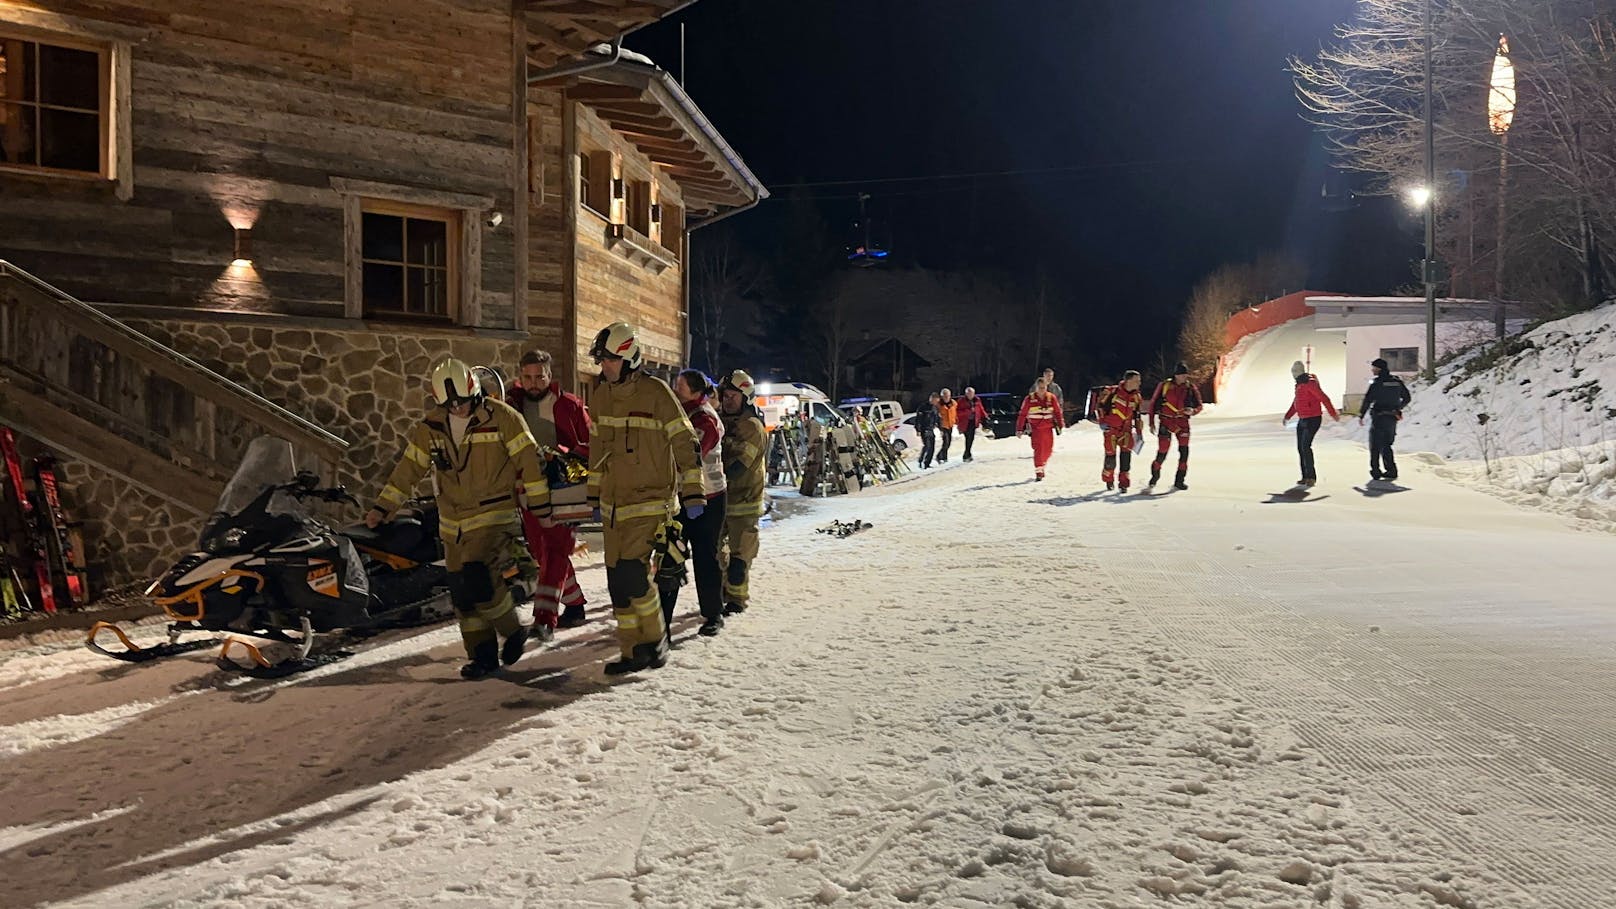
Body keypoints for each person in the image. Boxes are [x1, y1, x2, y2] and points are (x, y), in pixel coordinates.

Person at [367, 358, 547, 679]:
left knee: (479, 576)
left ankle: (512, 630)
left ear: (474, 392)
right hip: (453, 524)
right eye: (450, 405)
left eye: (462, 403)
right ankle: (483, 656)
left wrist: (540, 504)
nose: (458, 410)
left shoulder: (502, 417)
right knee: (462, 593)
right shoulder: (432, 427)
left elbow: (529, 461)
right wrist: (383, 508)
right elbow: (408, 470)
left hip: (494, 514)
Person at [586, 322, 706, 675]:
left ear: (628, 358)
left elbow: (685, 441)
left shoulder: (656, 393)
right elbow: (597, 449)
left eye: (609, 359)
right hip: (613, 505)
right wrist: (594, 493)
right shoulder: (601, 395)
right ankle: (632, 650)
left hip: (651, 501)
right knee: (616, 583)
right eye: (601, 359)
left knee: (633, 576)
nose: (603, 366)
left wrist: (693, 491)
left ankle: (655, 640)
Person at [507, 350, 592, 637]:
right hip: (526, 492)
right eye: (527, 377)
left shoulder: (569, 405)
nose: (533, 383)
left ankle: (545, 618)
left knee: (556, 551)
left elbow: (591, 444)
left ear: (549, 376)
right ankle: (576, 604)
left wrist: (561, 456)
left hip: (564, 490)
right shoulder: (511, 406)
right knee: (541, 553)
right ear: (520, 376)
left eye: (539, 377)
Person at [667, 369, 728, 637]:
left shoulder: (705, 419)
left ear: (695, 392)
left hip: (708, 499)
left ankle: (713, 613)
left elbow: (689, 455)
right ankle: (661, 619)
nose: (675, 390)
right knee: (670, 556)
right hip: (682, 499)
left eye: (680, 387)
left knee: (705, 558)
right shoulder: (681, 414)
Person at [717, 370, 767, 616]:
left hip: (744, 502)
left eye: (733, 396)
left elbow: (739, 466)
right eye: (725, 395)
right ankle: (725, 592)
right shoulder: (721, 422)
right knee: (716, 554)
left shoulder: (752, 427)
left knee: (739, 557)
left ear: (745, 397)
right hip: (722, 500)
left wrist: (713, 479)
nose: (727, 400)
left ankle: (737, 600)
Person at [1147, 363, 1204, 490]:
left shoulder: (1190, 388)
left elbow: (1199, 405)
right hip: (1166, 422)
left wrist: (1193, 411)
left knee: (1184, 453)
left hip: (1182, 423)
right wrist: (1151, 422)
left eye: (1185, 374)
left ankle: (1180, 480)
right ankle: (1154, 475)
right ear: (1175, 375)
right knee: (1163, 451)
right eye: (1181, 374)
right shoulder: (1164, 386)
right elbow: (1153, 403)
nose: (1184, 377)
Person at [1284, 360, 1340, 487]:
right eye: (1292, 372)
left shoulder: (1309, 383)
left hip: (1313, 419)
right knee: (1300, 448)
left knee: (1305, 446)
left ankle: (1311, 477)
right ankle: (1305, 476)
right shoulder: (1299, 384)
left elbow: (1324, 398)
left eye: (1295, 371)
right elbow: (1296, 403)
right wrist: (1288, 416)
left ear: (1301, 372)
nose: (1293, 374)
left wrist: (1333, 413)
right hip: (1302, 418)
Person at [1359, 357, 1412, 482]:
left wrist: (1361, 415)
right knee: (1387, 445)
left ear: (1379, 368)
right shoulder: (1396, 381)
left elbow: (1368, 400)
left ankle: (1376, 471)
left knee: (1375, 445)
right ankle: (1391, 471)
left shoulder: (1377, 383)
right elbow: (1407, 398)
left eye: (1374, 368)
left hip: (1379, 417)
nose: (1372, 370)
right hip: (1392, 418)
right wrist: (1398, 408)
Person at [1093, 370, 1145, 491]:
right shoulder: (1112, 392)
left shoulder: (1137, 397)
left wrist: (1139, 432)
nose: (1139, 383)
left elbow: (1137, 415)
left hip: (1126, 431)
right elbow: (1099, 406)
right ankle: (1108, 480)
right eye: (1137, 380)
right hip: (1111, 430)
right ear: (1128, 381)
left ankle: (1124, 484)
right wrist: (1102, 422)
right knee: (1110, 457)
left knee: (1126, 457)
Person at [1016, 376, 1063, 481]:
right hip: (1036, 429)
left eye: (1044, 387)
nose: (1042, 390)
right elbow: (1022, 415)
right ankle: (1039, 471)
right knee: (1038, 449)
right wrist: (1019, 429)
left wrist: (1060, 423)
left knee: (1048, 450)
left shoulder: (1051, 398)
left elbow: (1057, 412)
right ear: (1036, 388)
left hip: (1048, 428)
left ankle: (1042, 464)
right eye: (1040, 388)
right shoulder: (1029, 399)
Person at [955, 387, 990, 462]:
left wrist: (985, 417)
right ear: (966, 394)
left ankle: (967, 454)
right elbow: (957, 412)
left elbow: (981, 409)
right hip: (965, 423)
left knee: (970, 438)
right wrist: (968, 412)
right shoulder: (961, 401)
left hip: (973, 422)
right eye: (968, 393)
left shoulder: (977, 400)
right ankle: (967, 454)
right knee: (968, 438)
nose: (970, 395)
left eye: (971, 393)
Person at [914, 392, 940, 468]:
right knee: (927, 446)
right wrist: (918, 429)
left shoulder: (934, 408)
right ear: (931, 399)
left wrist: (937, 425)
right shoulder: (923, 407)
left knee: (932, 447)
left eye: (937, 401)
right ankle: (921, 461)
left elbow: (936, 418)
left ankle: (927, 463)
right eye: (935, 401)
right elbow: (918, 419)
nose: (936, 402)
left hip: (931, 429)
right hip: (924, 429)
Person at [936, 388, 957, 463]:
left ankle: (939, 456)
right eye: (944, 396)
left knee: (949, 443)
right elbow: (936, 415)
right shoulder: (938, 404)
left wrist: (956, 421)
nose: (946, 397)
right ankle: (943, 458)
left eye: (947, 396)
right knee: (946, 442)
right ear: (941, 396)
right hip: (943, 426)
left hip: (950, 425)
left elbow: (955, 413)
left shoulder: (954, 403)